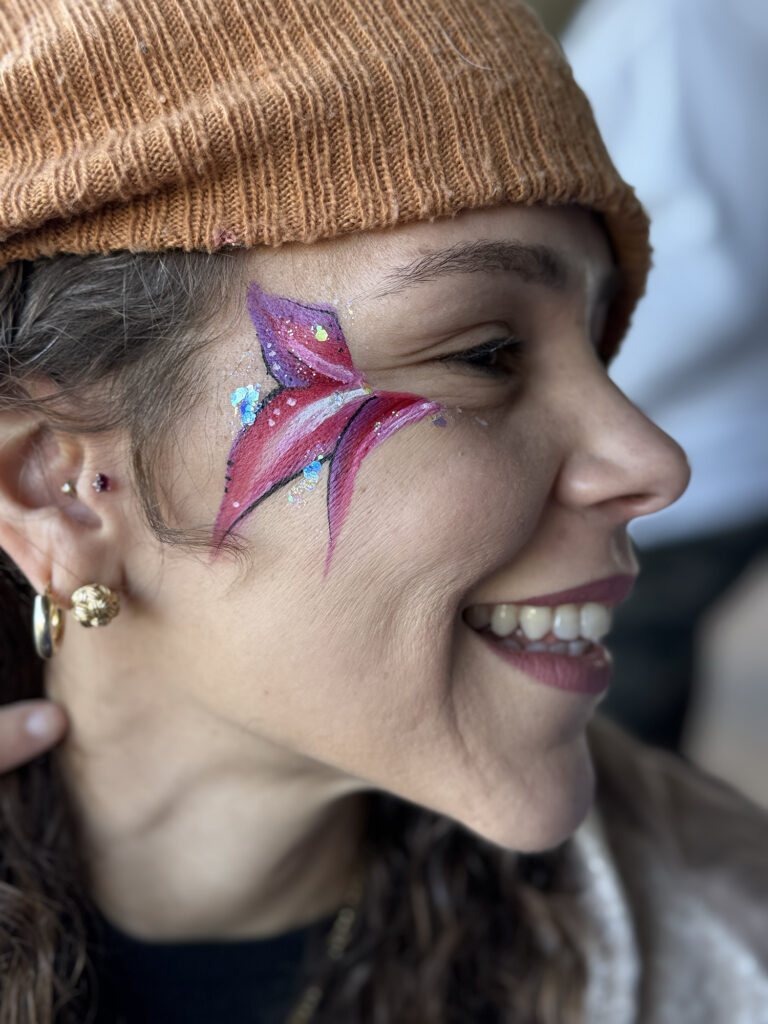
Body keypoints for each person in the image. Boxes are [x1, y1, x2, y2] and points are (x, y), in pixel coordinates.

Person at [0, 2, 766, 1023]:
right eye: (484, 355)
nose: (651, 460)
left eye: (601, 344)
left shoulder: (725, 958)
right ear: (58, 485)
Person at [556, 0, 768, 752]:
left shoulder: (679, 18)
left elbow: (714, 275)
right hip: (708, 443)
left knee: (597, 743)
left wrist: (547, 399)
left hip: (692, 462)